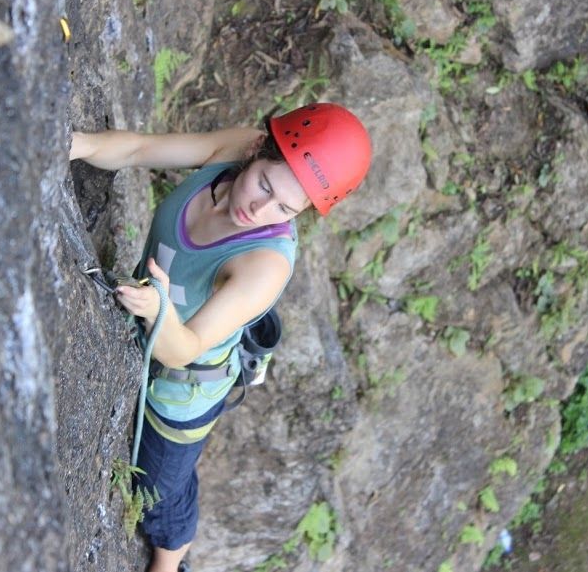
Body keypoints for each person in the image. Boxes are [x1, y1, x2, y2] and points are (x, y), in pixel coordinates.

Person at [69, 103, 372, 572]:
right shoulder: (232, 150)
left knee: (158, 491)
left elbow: (186, 346)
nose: (258, 209)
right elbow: (140, 147)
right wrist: (75, 144)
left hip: (184, 390)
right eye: (265, 184)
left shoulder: (265, 265)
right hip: (148, 323)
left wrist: (158, 310)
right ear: (256, 150)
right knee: (168, 475)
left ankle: (170, 562)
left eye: (285, 208)